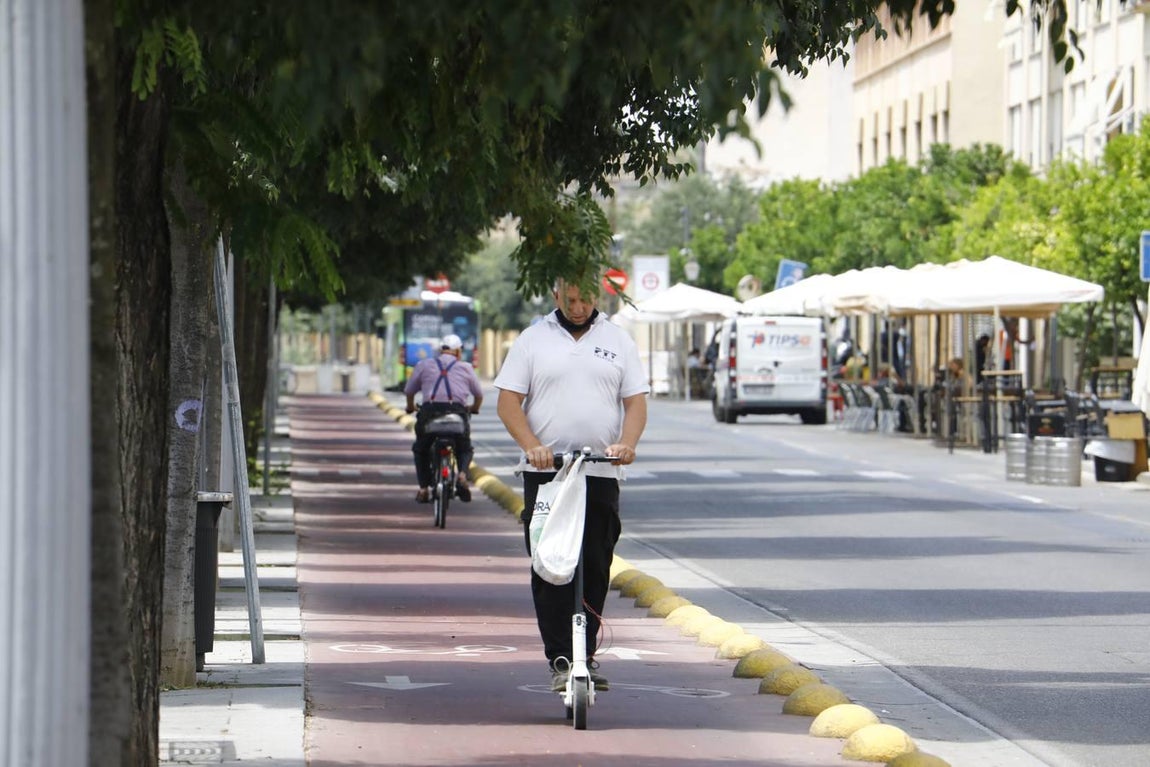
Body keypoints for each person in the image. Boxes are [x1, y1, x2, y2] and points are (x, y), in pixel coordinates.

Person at [494, 277, 648, 694]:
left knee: (595, 565)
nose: (578, 307)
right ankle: (561, 657)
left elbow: (635, 402)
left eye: (585, 299)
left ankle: (586, 653)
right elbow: (508, 402)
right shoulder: (532, 340)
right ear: (555, 295)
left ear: (597, 295)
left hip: (600, 471)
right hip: (547, 473)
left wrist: (627, 444)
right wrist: (532, 446)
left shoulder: (618, 340)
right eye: (570, 299)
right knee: (550, 565)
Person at [404, 333, 483, 504]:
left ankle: (423, 489)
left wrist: (410, 406)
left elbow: (409, 391)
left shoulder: (424, 365)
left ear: (441, 350)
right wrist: (474, 408)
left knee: (421, 449)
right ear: (458, 352)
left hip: (429, 413)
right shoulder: (466, 367)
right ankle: (462, 475)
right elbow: (478, 394)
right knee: (464, 448)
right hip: (457, 413)